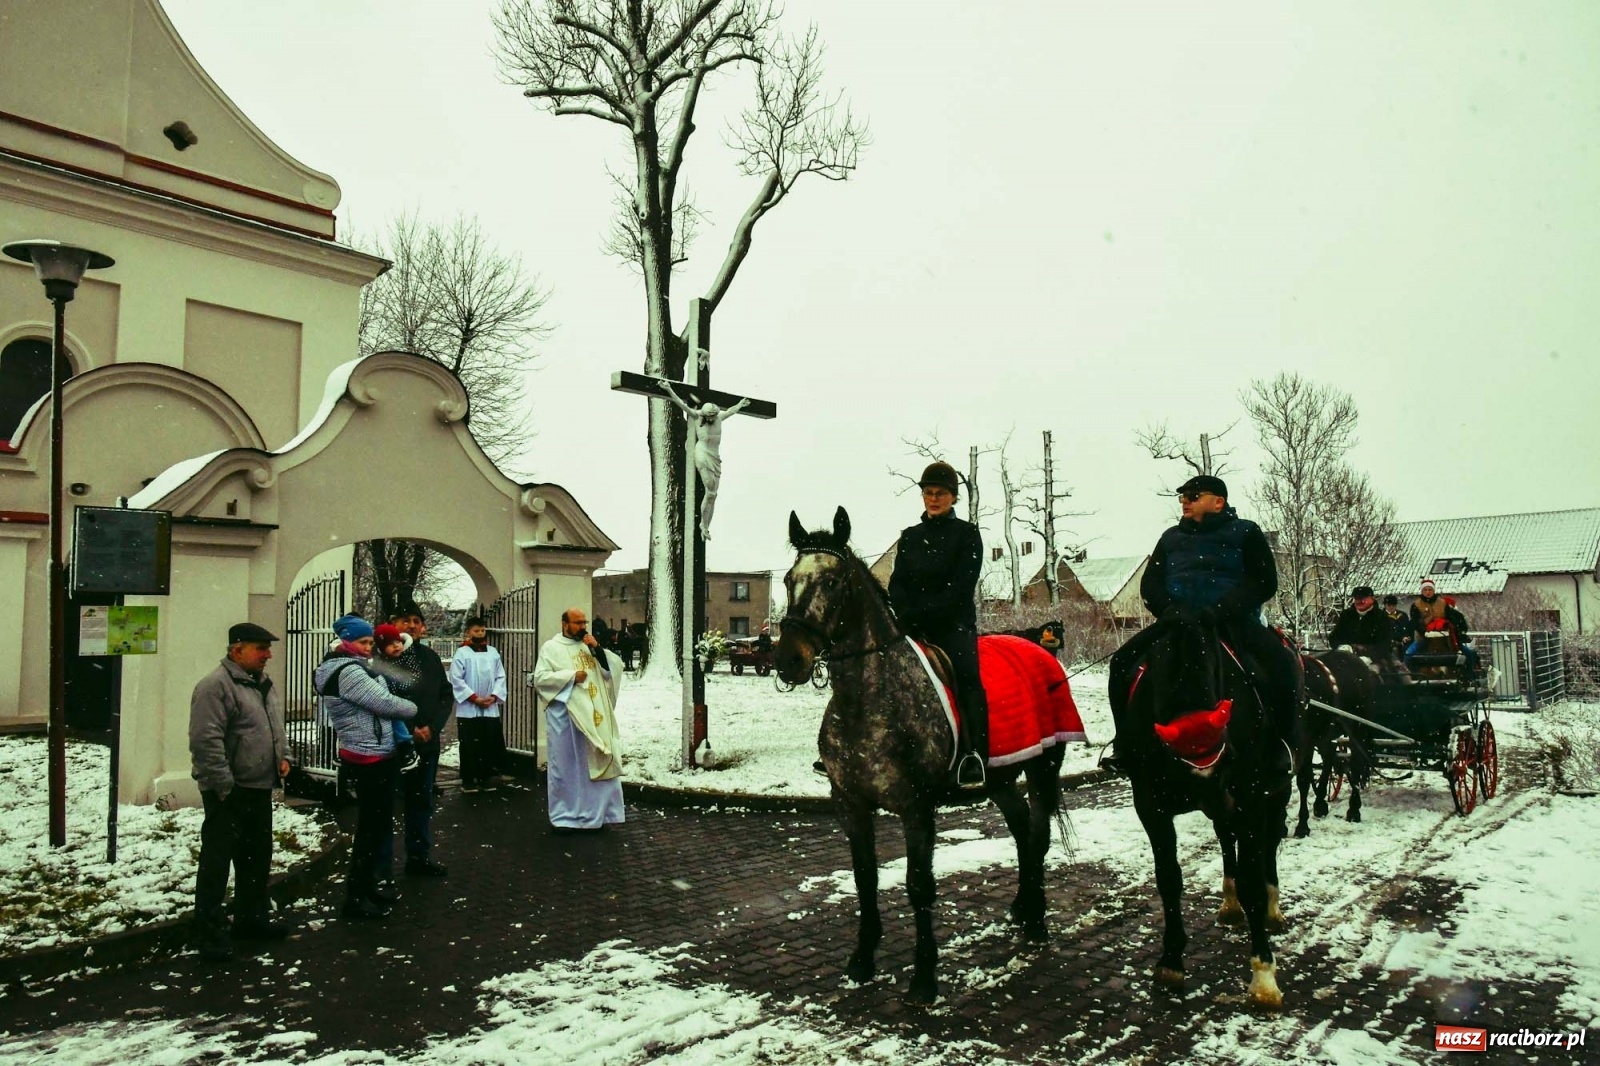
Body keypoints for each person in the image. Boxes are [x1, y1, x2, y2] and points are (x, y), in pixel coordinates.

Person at [1103, 474, 1302, 774]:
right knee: (1121, 662)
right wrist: (1169, 609)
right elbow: (1150, 584)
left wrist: (1221, 610)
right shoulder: (1170, 538)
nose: (1185, 501)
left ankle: (1283, 743)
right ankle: (1124, 745)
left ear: (1218, 502)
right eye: (1182, 497)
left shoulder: (1246, 532)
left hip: (1232, 623)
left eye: (1193, 496)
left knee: (1281, 662)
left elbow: (1263, 582)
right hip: (1178, 624)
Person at [188, 622, 291, 961]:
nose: (268, 654)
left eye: (268, 648)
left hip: (258, 787)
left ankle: (251, 919)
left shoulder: (263, 684)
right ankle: (209, 933)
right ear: (237, 650)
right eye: (261, 648)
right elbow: (205, 741)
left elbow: (274, 727)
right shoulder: (214, 687)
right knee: (217, 863)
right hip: (229, 791)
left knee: (256, 859)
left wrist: (283, 757)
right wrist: (224, 786)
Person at [887, 460, 988, 788]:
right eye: (928, 493)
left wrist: (924, 613)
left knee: (967, 678)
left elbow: (961, 587)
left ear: (953, 497)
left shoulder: (967, 535)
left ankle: (973, 754)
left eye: (940, 493)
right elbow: (897, 583)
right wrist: (905, 612)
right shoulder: (910, 537)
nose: (933, 499)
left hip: (952, 625)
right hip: (912, 626)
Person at [316, 614, 418, 920]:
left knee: (376, 826)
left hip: (371, 752)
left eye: (370, 642)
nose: (367, 647)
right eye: (362, 642)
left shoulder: (348, 666)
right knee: (370, 829)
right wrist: (413, 708)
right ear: (345, 641)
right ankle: (356, 897)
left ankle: (367, 886)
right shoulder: (348, 671)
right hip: (369, 756)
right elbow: (385, 703)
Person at [532, 607, 626, 832]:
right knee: (567, 768)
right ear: (564, 624)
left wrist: (597, 649)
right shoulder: (551, 648)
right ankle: (566, 817)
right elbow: (540, 679)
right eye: (578, 623)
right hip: (566, 720)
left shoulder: (587, 646)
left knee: (597, 760)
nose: (583, 627)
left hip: (594, 717)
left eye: (585, 622)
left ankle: (599, 814)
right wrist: (571, 677)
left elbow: (609, 671)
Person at [388, 608, 453, 877]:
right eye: (405, 621)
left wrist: (432, 727)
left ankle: (418, 857)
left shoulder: (430, 657)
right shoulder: (385, 657)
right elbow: (384, 699)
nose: (412, 626)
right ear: (393, 625)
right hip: (394, 746)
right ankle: (380, 867)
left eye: (417, 621)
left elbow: (445, 695)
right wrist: (410, 729)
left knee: (421, 802)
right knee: (388, 805)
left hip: (427, 744)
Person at [663, 381, 750, 540]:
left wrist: (740, 404)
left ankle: (706, 526)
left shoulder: (719, 418)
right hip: (702, 454)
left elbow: (730, 411)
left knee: (713, 495)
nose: (712, 419)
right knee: (710, 492)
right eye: (709, 417)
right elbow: (680, 403)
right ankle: (703, 525)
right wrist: (668, 389)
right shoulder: (697, 416)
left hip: (715, 456)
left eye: (713, 416)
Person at [450, 617, 507, 793]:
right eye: (476, 631)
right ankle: (468, 780)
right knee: (469, 744)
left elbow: (500, 676)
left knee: (487, 742)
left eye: (482, 630)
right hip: (468, 708)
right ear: (469, 632)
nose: (480, 634)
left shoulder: (493, 652)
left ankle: (486, 777)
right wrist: (474, 698)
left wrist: (494, 696)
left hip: (489, 706)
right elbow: (456, 678)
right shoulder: (462, 653)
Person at [1327, 586, 1392, 652]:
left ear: (1372, 599)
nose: (1359, 601)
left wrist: (1367, 652)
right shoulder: (1346, 615)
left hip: (1372, 655)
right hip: (1346, 654)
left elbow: (1385, 643)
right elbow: (1334, 637)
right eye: (1356, 599)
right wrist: (1341, 646)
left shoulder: (1381, 617)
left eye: (1363, 598)